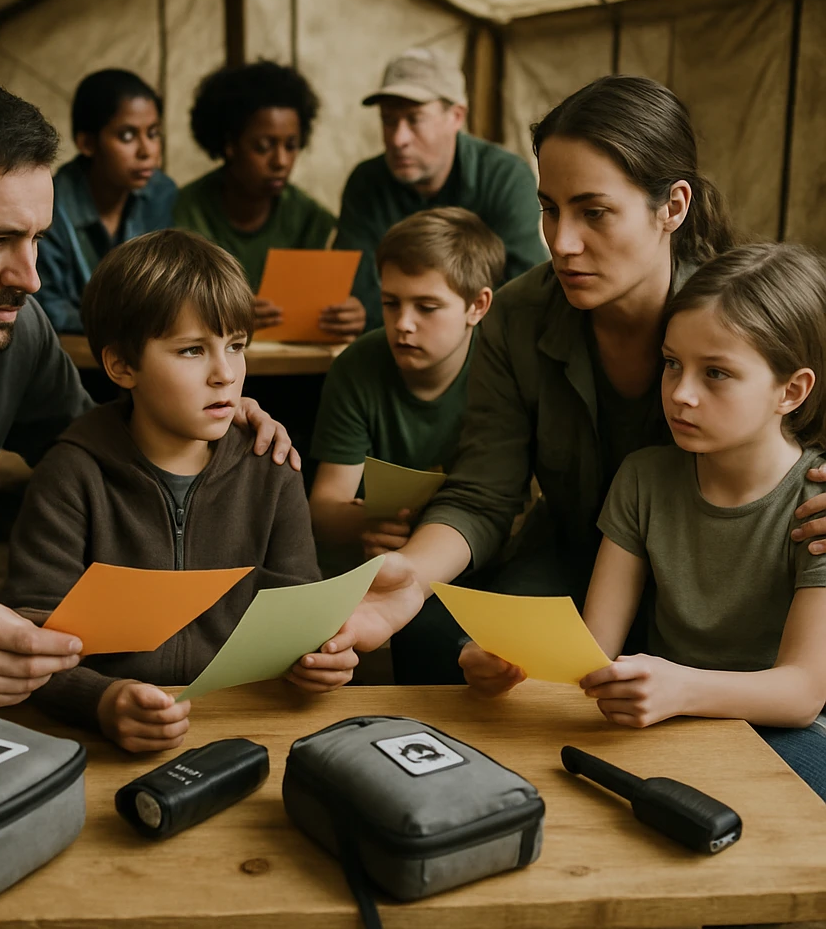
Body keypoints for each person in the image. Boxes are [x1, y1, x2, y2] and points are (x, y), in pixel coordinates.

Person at [0, 72, 297, 712]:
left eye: (38, 238)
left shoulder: (13, 329)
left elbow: (112, 455)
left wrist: (203, 414)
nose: (31, 278)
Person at [323, 75, 826, 680]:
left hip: (711, 586)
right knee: (441, 643)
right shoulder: (516, 313)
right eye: (549, 209)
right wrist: (411, 579)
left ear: (673, 207)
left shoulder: (745, 315)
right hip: (563, 561)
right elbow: (484, 492)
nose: (561, 243)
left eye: (595, 212)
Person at [463, 243, 826, 800]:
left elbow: (802, 693)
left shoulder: (815, 504)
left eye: (717, 374)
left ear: (792, 390)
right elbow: (592, 648)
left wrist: (681, 690)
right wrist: (508, 660)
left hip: (788, 732)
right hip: (667, 721)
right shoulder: (644, 479)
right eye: (673, 363)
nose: (681, 394)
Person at [2, 230, 357, 752]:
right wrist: (101, 699)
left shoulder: (273, 467)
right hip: (102, 738)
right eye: (192, 350)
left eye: (236, 346)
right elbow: (29, 637)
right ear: (122, 365)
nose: (226, 374)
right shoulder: (71, 475)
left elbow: (300, 618)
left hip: (251, 727)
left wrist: (321, 658)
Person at [308, 207, 501, 577]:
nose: (403, 324)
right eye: (390, 304)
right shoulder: (357, 365)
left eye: (427, 307)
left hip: (472, 565)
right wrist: (369, 525)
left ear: (477, 306)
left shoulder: (501, 369)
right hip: (368, 567)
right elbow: (324, 509)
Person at [334, 47, 548, 330]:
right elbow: (354, 291)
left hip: (486, 348)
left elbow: (526, 290)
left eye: (414, 119)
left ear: (456, 117)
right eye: (388, 120)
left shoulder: (504, 177)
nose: (398, 139)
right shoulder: (366, 182)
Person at [174, 60, 363, 338]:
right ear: (229, 145)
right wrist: (226, 312)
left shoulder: (312, 219)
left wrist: (349, 313)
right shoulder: (183, 211)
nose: (281, 161)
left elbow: (318, 307)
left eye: (291, 145)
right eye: (263, 147)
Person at [36, 69, 177, 333]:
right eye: (127, 136)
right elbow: (46, 305)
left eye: (153, 133)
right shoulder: (49, 203)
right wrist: (124, 325)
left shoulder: (160, 193)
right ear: (88, 143)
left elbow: (167, 287)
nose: (147, 151)